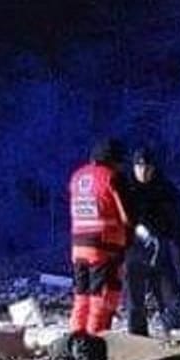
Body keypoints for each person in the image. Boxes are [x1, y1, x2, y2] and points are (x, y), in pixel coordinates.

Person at [122, 146, 180, 336]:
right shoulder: (125, 188)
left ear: (154, 168)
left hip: (160, 250)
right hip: (132, 251)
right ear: (134, 167)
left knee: (171, 298)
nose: (143, 171)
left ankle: (176, 336)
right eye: (139, 166)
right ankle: (137, 338)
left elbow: (179, 223)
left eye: (147, 167)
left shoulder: (166, 190)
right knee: (134, 301)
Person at [68, 138, 130, 337]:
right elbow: (126, 216)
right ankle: (96, 341)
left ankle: (76, 339)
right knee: (100, 297)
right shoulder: (112, 177)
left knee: (81, 295)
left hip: (78, 246)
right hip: (104, 246)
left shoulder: (77, 177)